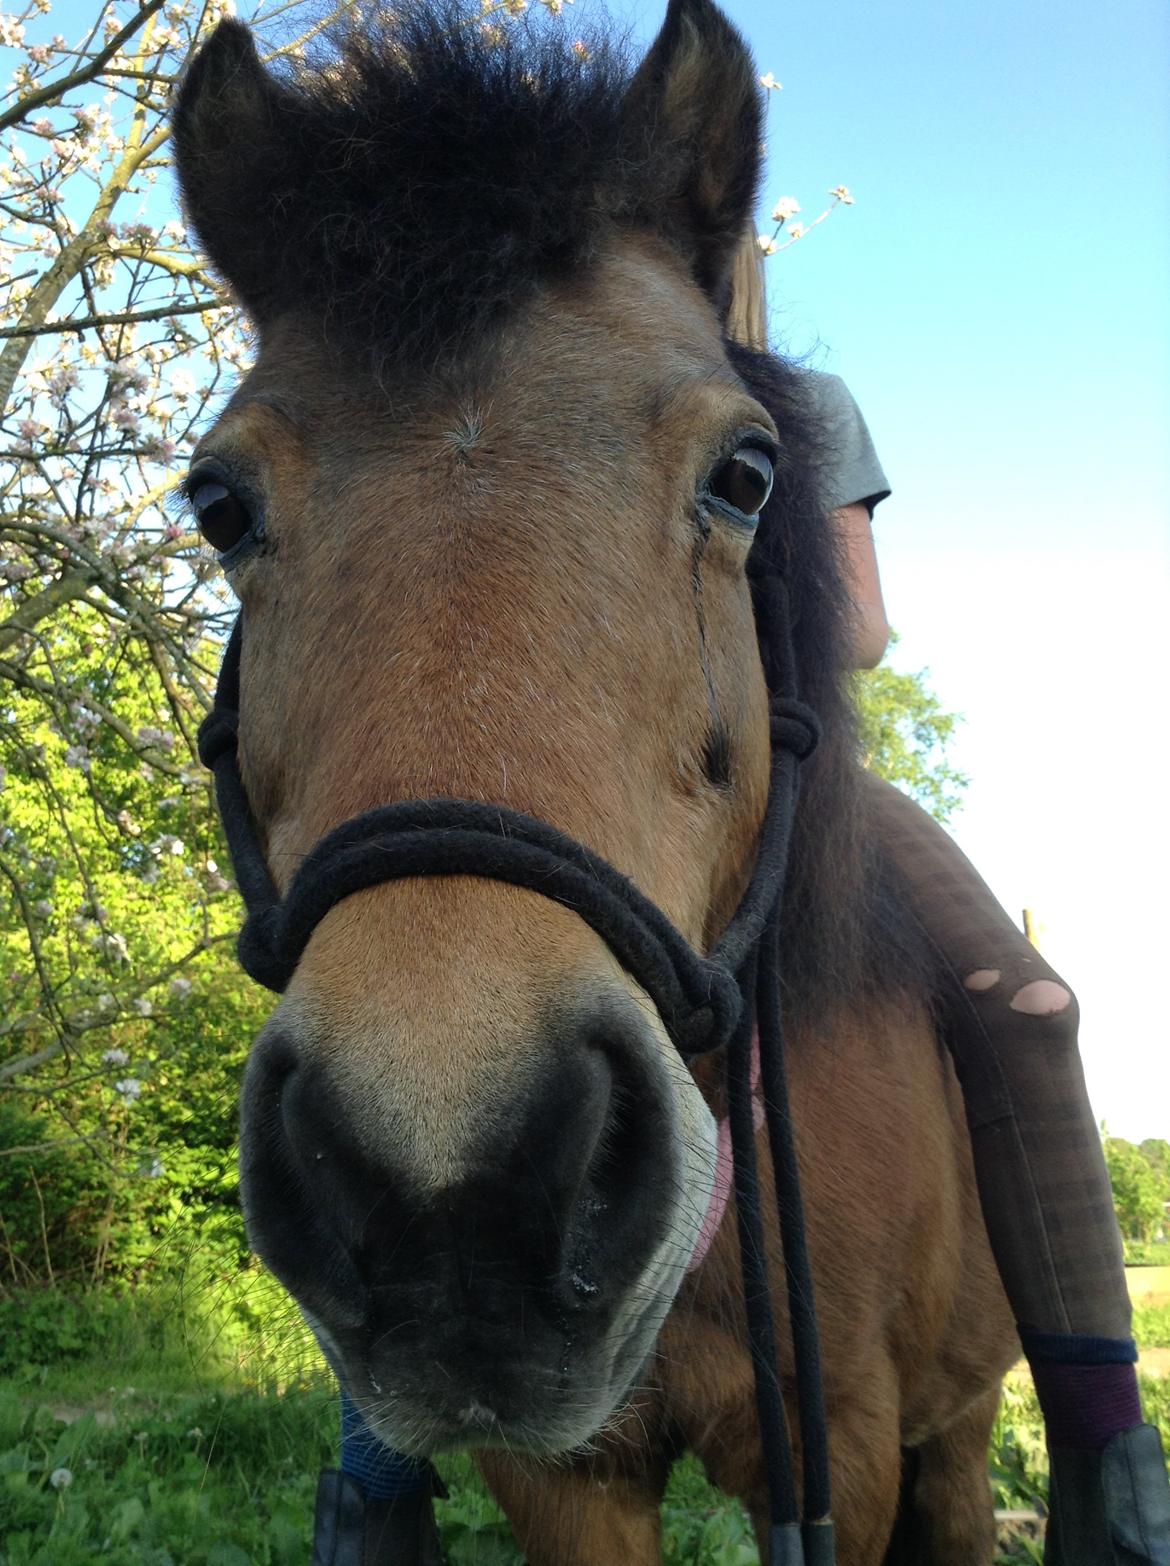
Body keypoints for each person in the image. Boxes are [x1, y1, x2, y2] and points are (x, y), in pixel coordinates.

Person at [312, 236, 1170, 1565]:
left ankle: (1107, 1451)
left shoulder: (810, 412)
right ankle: (375, 1469)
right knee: (392, 1000)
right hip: (599, 766)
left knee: (1030, 1005)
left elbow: (868, 628)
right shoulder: (516, 389)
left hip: (786, 764)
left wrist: (721, 559)